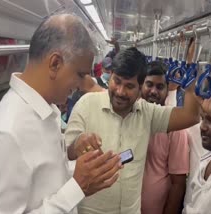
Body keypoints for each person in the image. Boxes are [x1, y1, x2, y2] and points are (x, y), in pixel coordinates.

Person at [0, 14, 122, 214]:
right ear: (55, 63)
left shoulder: (48, 111)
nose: (82, 85)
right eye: (80, 74)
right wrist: (77, 187)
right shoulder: (6, 135)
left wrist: (81, 169)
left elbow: (48, 179)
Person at [65, 46, 201, 214]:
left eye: (129, 86)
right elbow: (67, 152)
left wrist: (191, 70)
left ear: (140, 87)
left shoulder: (148, 114)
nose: (120, 92)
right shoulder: (86, 105)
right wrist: (78, 143)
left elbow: (191, 116)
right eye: (117, 81)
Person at [141, 61, 189, 214]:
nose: (153, 91)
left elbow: (178, 183)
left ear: (168, 90)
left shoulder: (175, 126)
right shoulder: (130, 116)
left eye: (160, 87)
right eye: (149, 84)